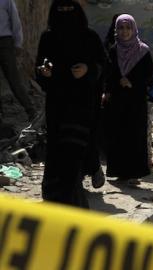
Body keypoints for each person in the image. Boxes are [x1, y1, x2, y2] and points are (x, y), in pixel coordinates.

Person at [36, 0, 107, 208]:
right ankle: (54, 192)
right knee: (57, 146)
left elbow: (103, 65)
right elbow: (39, 66)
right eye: (61, 10)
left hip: (82, 103)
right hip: (57, 103)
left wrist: (88, 69)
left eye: (70, 10)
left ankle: (72, 194)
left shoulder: (90, 37)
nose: (66, 14)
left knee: (74, 147)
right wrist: (44, 72)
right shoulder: (47, 37)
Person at [104, 14, 153, 185]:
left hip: (136, 100)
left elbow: (150, 76)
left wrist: (132, 82)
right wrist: (114, 84)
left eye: (128, 28)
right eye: (121, 28)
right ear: (116, 30)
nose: (124, 32)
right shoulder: (113, 50)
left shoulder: (143, 51)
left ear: (134, 29)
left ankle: (134, 173)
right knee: (117, 135)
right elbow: (107, 75)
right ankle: (119, 173)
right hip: (118, 100)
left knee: (135, 136)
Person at [0, 0, 36, 122]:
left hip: (4, 42)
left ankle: (31, 110)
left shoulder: (6, 1)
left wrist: (18, 43)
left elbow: (15, 22)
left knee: (13, 78)